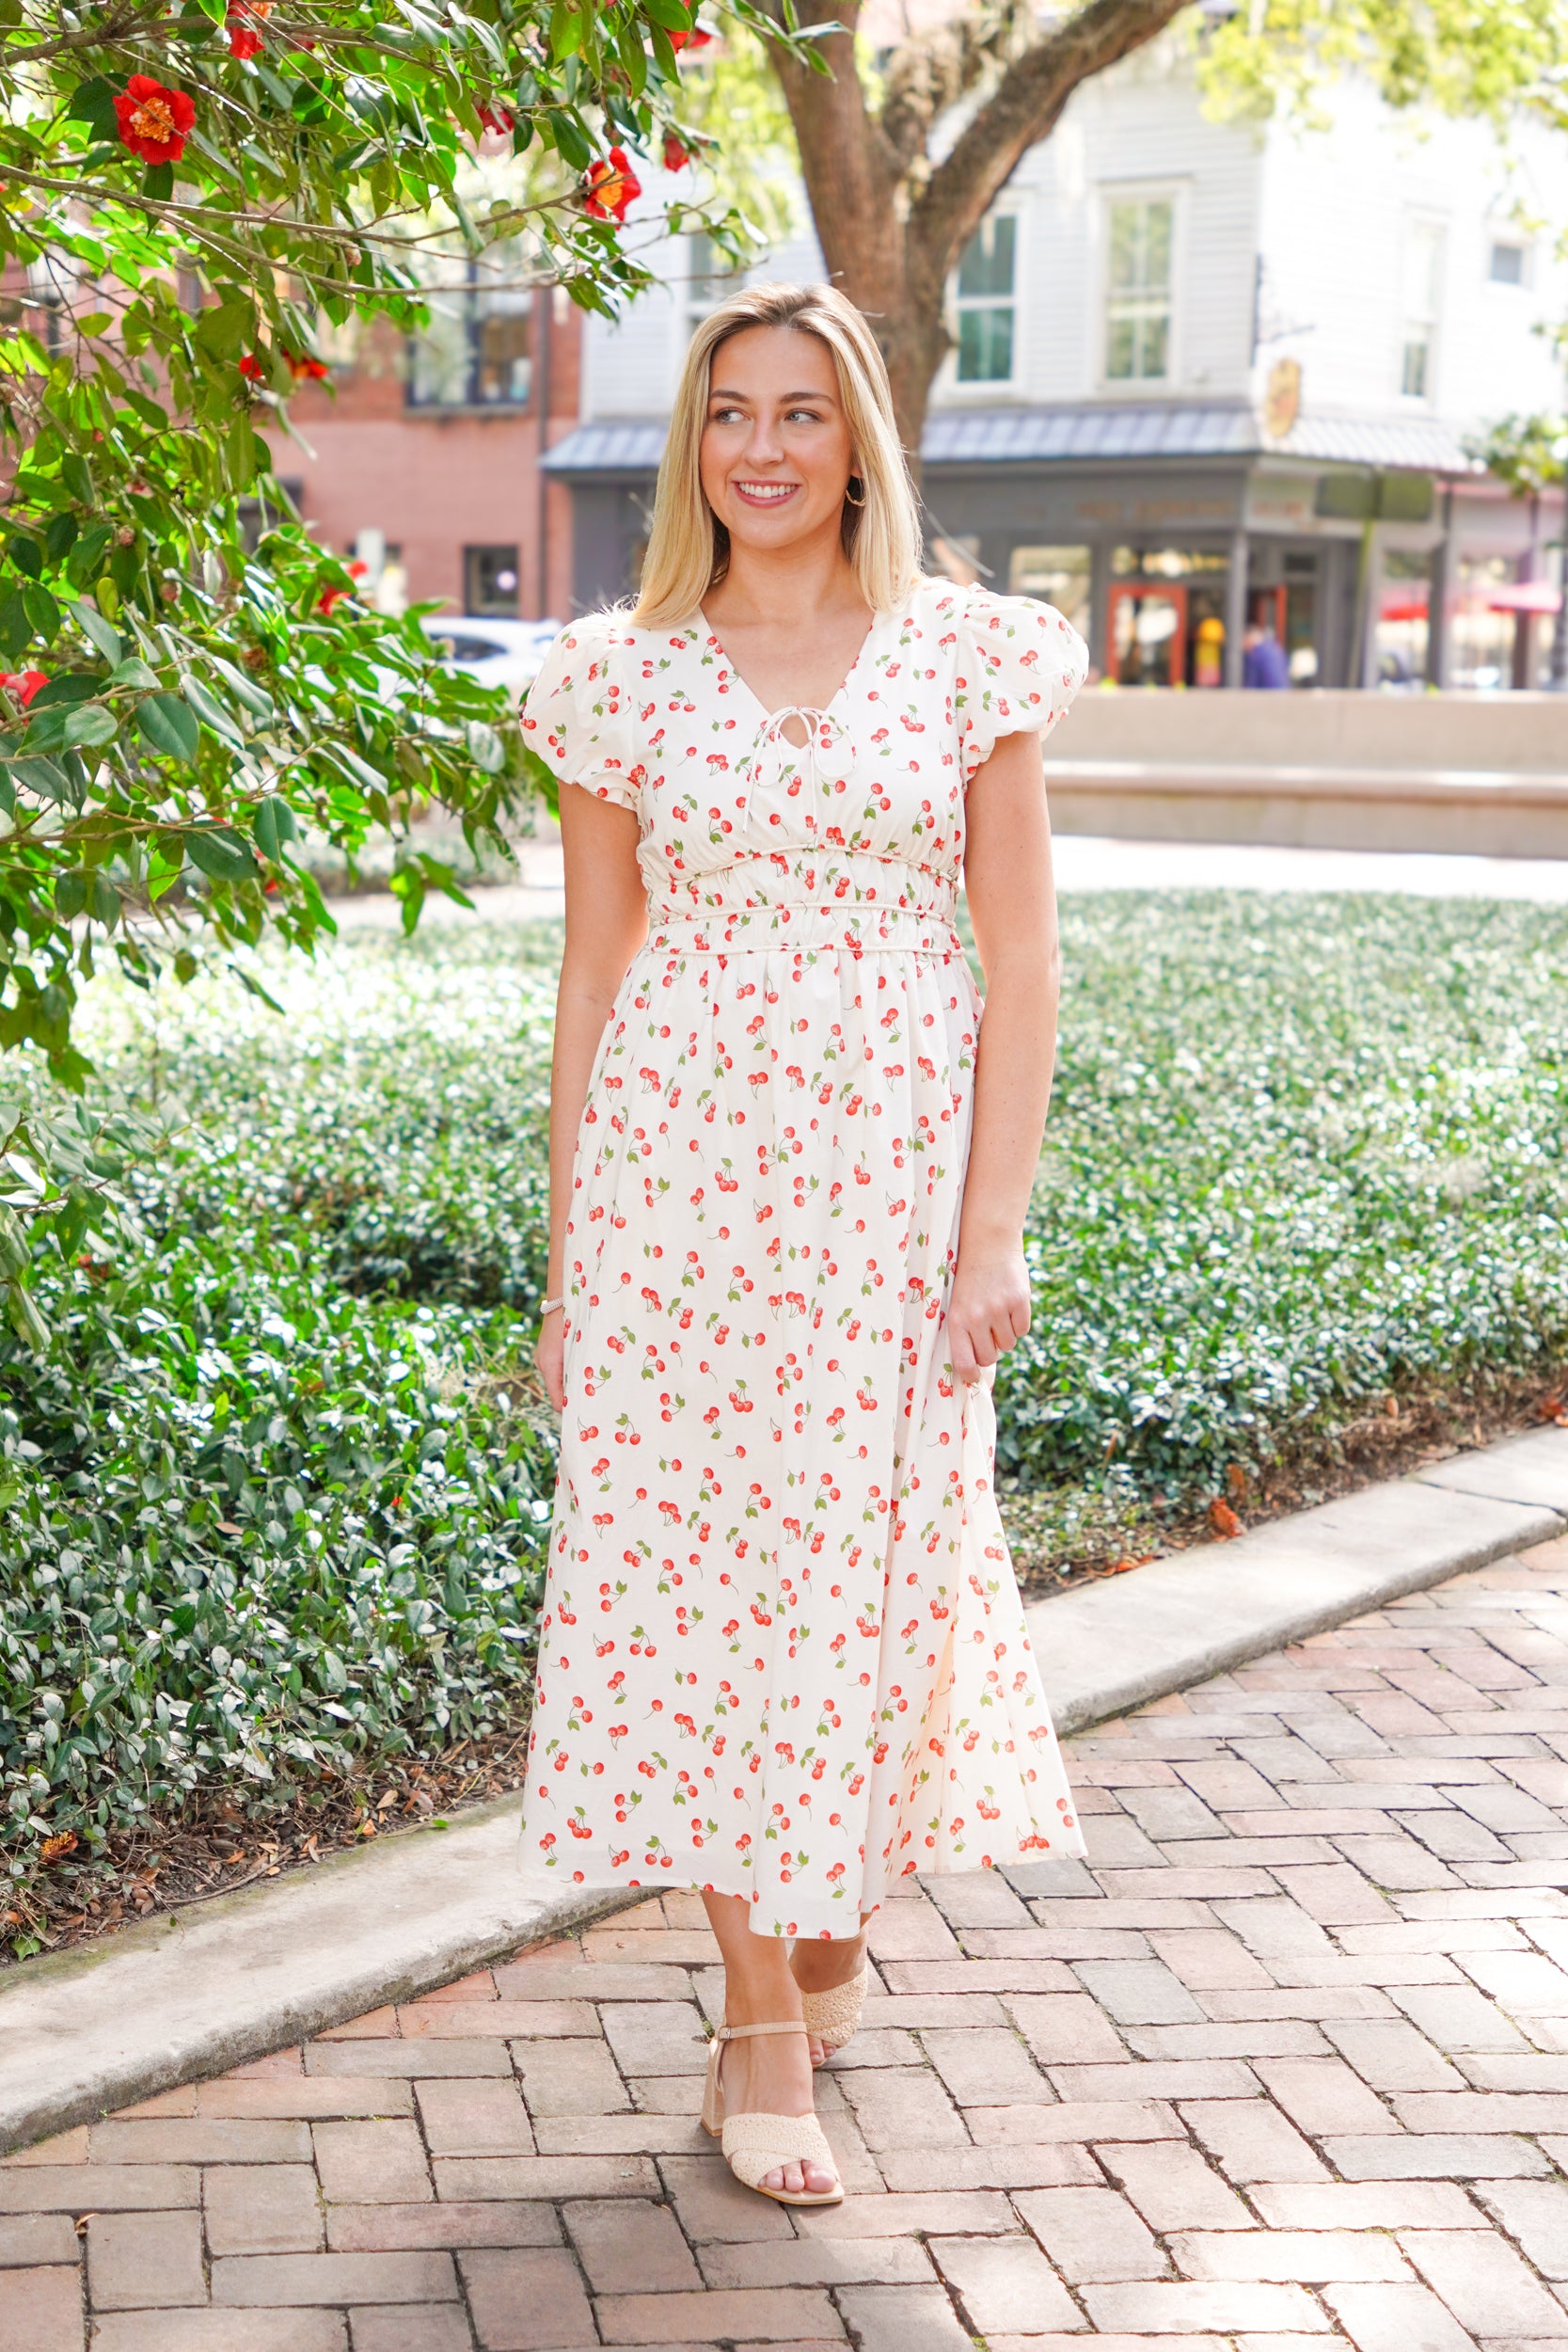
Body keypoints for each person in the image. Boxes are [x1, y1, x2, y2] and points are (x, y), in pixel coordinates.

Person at [519, 282, 1088, 2211]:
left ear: (856, 441)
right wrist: (565, 1262)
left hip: (885, 1202)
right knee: (701, 1594)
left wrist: (987, 1224)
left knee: (867, 1580)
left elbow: (1019, 956)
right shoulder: (617, 675)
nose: (758, 445)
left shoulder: (962, 657)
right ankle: (752, 2026)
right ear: (694, 444)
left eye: (797, 412)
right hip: (676, 1199)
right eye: (725, 412)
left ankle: (814, 1931)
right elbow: (593, 971)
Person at [1243, 620, 1291, 689]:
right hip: (1283, 691)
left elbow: (1252, 684)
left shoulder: (1256, 654)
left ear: (1248, 638)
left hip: (1268, 694)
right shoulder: (1275, 647)